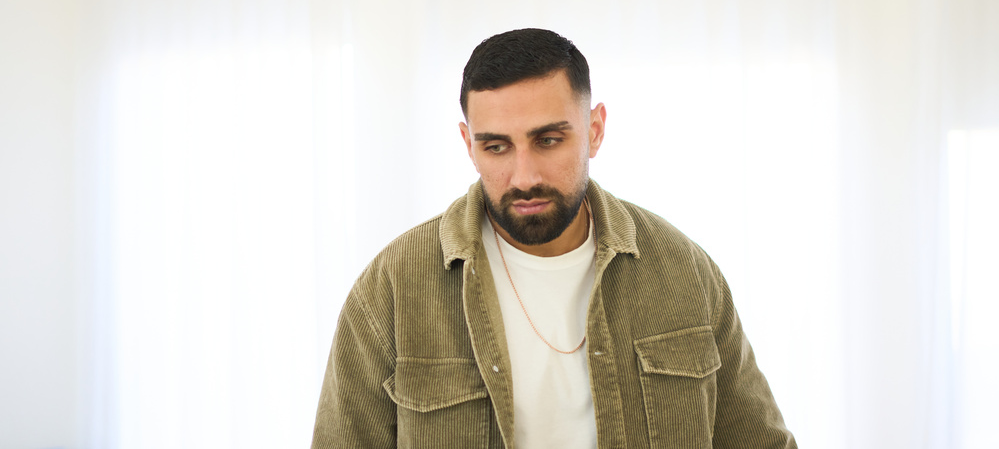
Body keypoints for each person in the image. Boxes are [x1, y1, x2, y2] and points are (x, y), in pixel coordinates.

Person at [311, 28, 797, 449]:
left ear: (595, 129)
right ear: (468, 145)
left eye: (548, 140)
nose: (524, 176)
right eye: (497, 147)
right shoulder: (392, 289)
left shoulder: (682, 271)